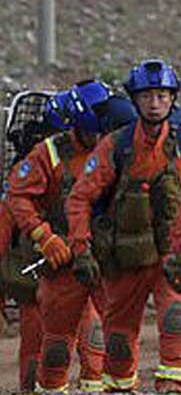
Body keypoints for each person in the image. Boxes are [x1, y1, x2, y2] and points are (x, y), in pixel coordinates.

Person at [65, 60, 181, 393]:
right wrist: (81, 249)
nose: (155, 104)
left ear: (172, 99)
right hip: (124, 257)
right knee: (119, 339)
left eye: (161, 96)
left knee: (175, 322)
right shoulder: (116, 146)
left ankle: (173, 388)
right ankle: (120, 388)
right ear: (134, 100)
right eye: (147, 97)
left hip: (171, 256)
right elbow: (79, 199)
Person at [5, 81, 136, 392]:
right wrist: (45, 238)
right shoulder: (48, 155)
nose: (97, 140)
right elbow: (16, 198)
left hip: (97, 260)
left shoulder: (118, 149)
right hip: (55, 262)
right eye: (92, 134)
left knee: (102, 340)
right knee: (48, 347)